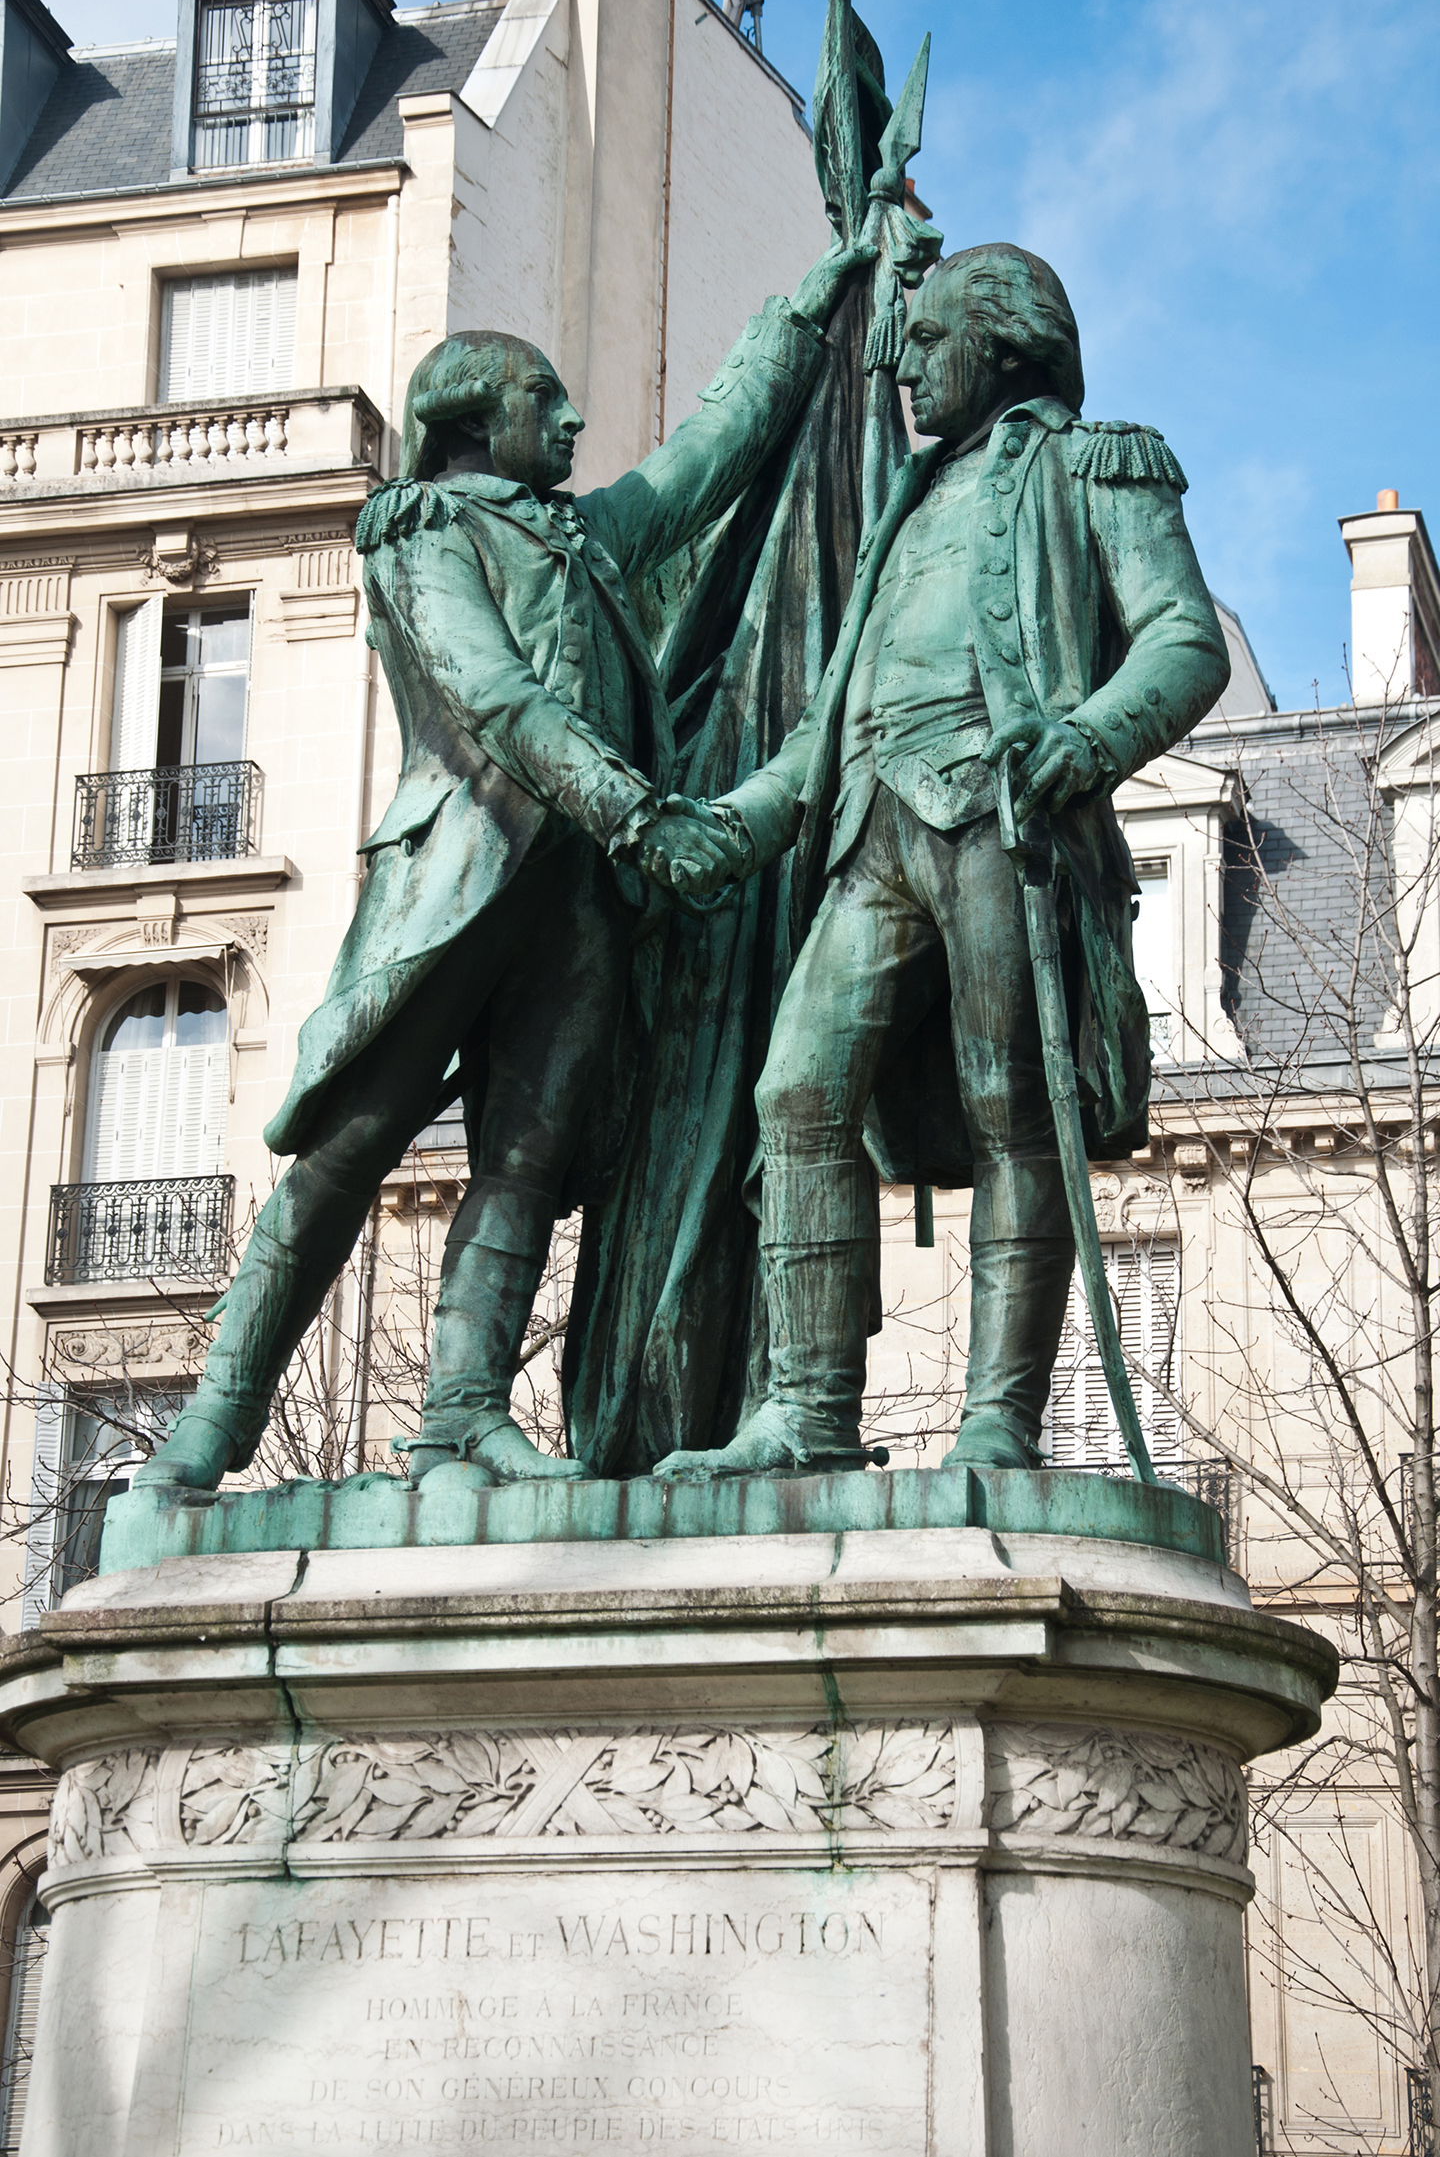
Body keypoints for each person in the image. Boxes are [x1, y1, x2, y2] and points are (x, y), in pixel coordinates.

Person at [138, 239, 871, 1495]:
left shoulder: (585, 538)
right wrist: (641, 818)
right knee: (346, 1155)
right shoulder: (420, 532)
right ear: (473, 420)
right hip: (461, 877)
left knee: (525, 1168)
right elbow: (499, 700)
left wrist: (809, 306)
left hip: (573, 905)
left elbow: (705, 459)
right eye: (545, 400)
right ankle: (204, 1436)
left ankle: (461, 1417)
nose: (573, 414)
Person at [648, 243, 1231, 1481]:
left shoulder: (1094, 464)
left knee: (1013, 1110)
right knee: (796, 1096)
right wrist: (743, 823)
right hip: (871, 824)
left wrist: (1082, 740)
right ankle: (807, 1413)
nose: (905, 359)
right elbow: (827, 721)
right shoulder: (901, 508)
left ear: (1002, 342)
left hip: (1002, 816)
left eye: (927, 336)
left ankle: (998, 1424)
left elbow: (1185, 644)